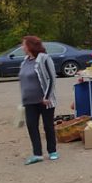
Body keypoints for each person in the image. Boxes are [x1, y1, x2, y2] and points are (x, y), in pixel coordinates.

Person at [19, 35, 59, 165]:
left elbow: (51, 78)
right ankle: (37, 153)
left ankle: (52, 151)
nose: (22, 47)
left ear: (30, 46)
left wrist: (46, 96)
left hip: (44, 100)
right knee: (31, 126)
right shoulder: (25, 61)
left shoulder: (44, 59)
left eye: (24, 45)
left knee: (48, 126)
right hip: (29, 101)